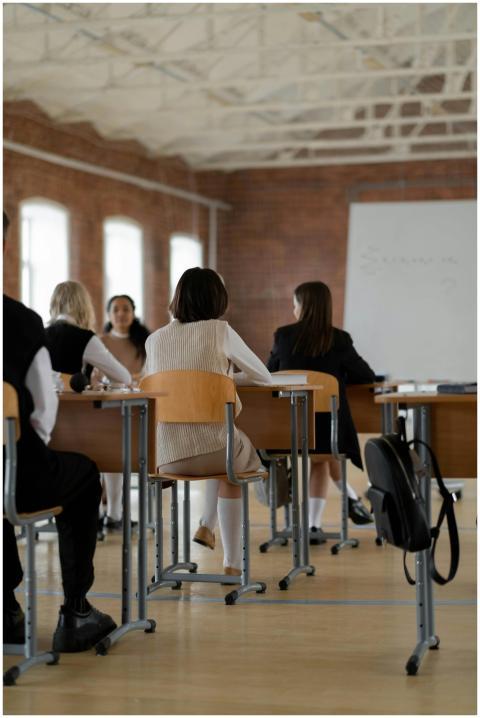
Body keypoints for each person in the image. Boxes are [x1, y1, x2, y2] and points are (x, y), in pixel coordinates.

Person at [3, 211, 116, 652]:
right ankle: (76, 611)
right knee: (83, 475)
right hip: (19, 475)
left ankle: (6, 607)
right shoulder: (20, 321)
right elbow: (43, 411)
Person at [144, 267, 272, 576]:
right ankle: (232, 564)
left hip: (166, 457)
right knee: (230, 462)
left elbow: (149, 384)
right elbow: (263, 376)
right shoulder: (220, 331)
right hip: (216, 449)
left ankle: (205, 527)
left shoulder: (154, 339)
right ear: (218, 299)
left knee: (221, 445)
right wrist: (224, 379)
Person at [267, 281, 375, 543]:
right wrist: (335, 379)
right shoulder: (339, 339)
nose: (293, 310)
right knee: (322, 455)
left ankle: (317, 523)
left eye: (294, 304)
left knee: (318, 458)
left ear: (302, 306)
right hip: (330, 430)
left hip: (288, 428)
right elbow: (367, 376)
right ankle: (344, 503)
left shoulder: (283, 335)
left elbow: (269, 375)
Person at [99, 295, 150, 530]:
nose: (121, 313)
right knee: (110, 446)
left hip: (138, 410)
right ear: (109, 314)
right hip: (108, 411)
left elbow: (150, 375)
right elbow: (94, 377)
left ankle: (114, 511)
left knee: (120, 447)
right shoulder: (100, 342)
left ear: (133, 312)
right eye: (116, 309)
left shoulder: (145, 342)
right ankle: (111, 512)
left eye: (126, 309)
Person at [46, 281, 132, 387]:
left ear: (54, 305)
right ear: (84, 306)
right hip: (76, 403)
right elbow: (124, 378)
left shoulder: (39, 335)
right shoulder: (85, 338)